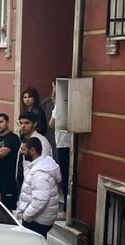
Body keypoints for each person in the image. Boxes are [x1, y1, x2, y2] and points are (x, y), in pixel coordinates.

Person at [16, 137, 61, 238]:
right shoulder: (42, 165)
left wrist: (26, 217)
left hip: (37, 221)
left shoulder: (39, 172)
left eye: (24, 149)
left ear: (32, 151)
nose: (21, 152)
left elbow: (40, 200)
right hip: (39, 219)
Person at [50, 77, 71, 219]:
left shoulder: (60, 103)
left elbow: (52, 124)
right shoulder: (66, 101)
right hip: (66, 142)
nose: (52, 90)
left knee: (64, 176)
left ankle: (66, 211)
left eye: (53, 87)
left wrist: (55, 104)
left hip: (63, 143)